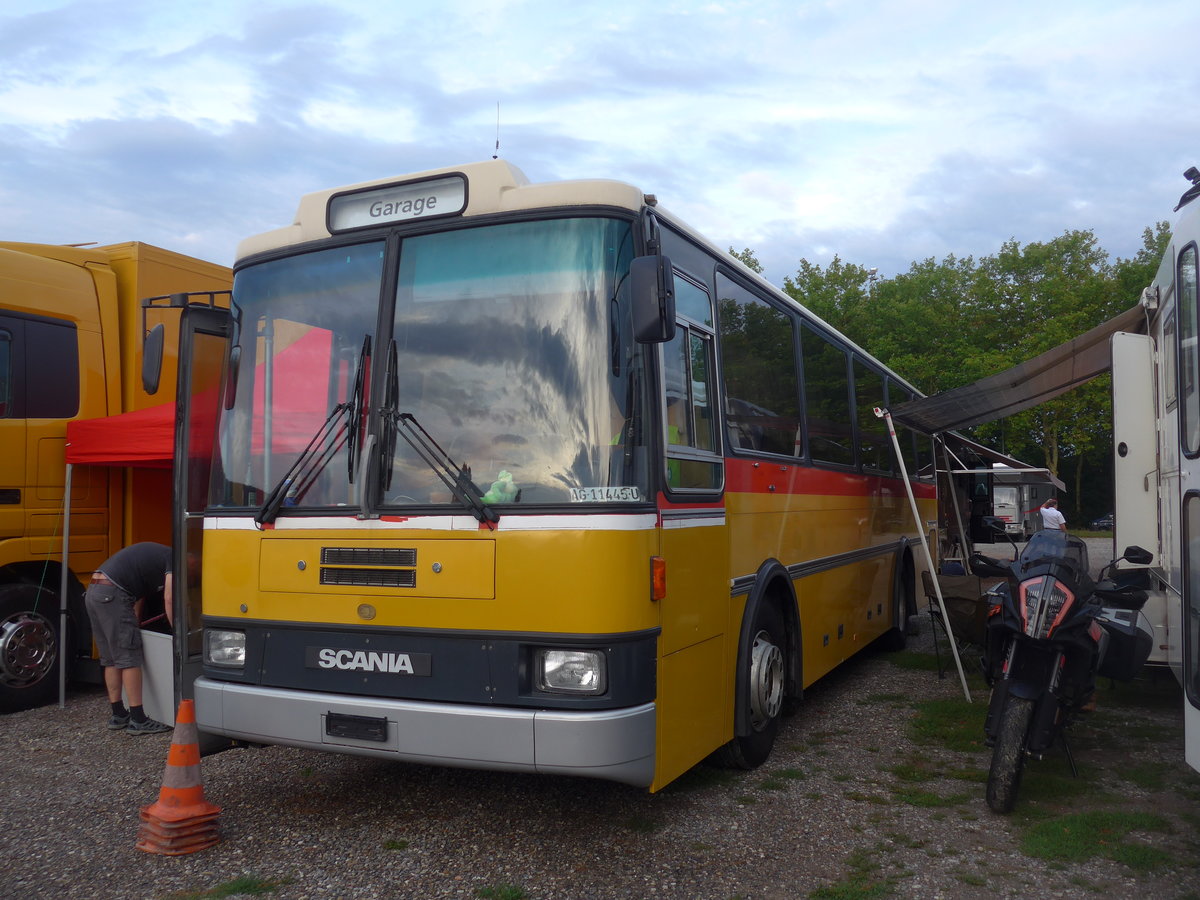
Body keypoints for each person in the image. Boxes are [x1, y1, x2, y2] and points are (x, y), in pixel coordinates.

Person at [83, 542, 175, 734]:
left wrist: (134, 621)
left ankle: (118, 714)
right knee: (129, 658)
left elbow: (137, 595)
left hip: (94, 590)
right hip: (113, 593)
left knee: (111, 658)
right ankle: (138, 719)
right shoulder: (174, 558)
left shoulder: (153, 559)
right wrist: (178, 631)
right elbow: (169, 599)